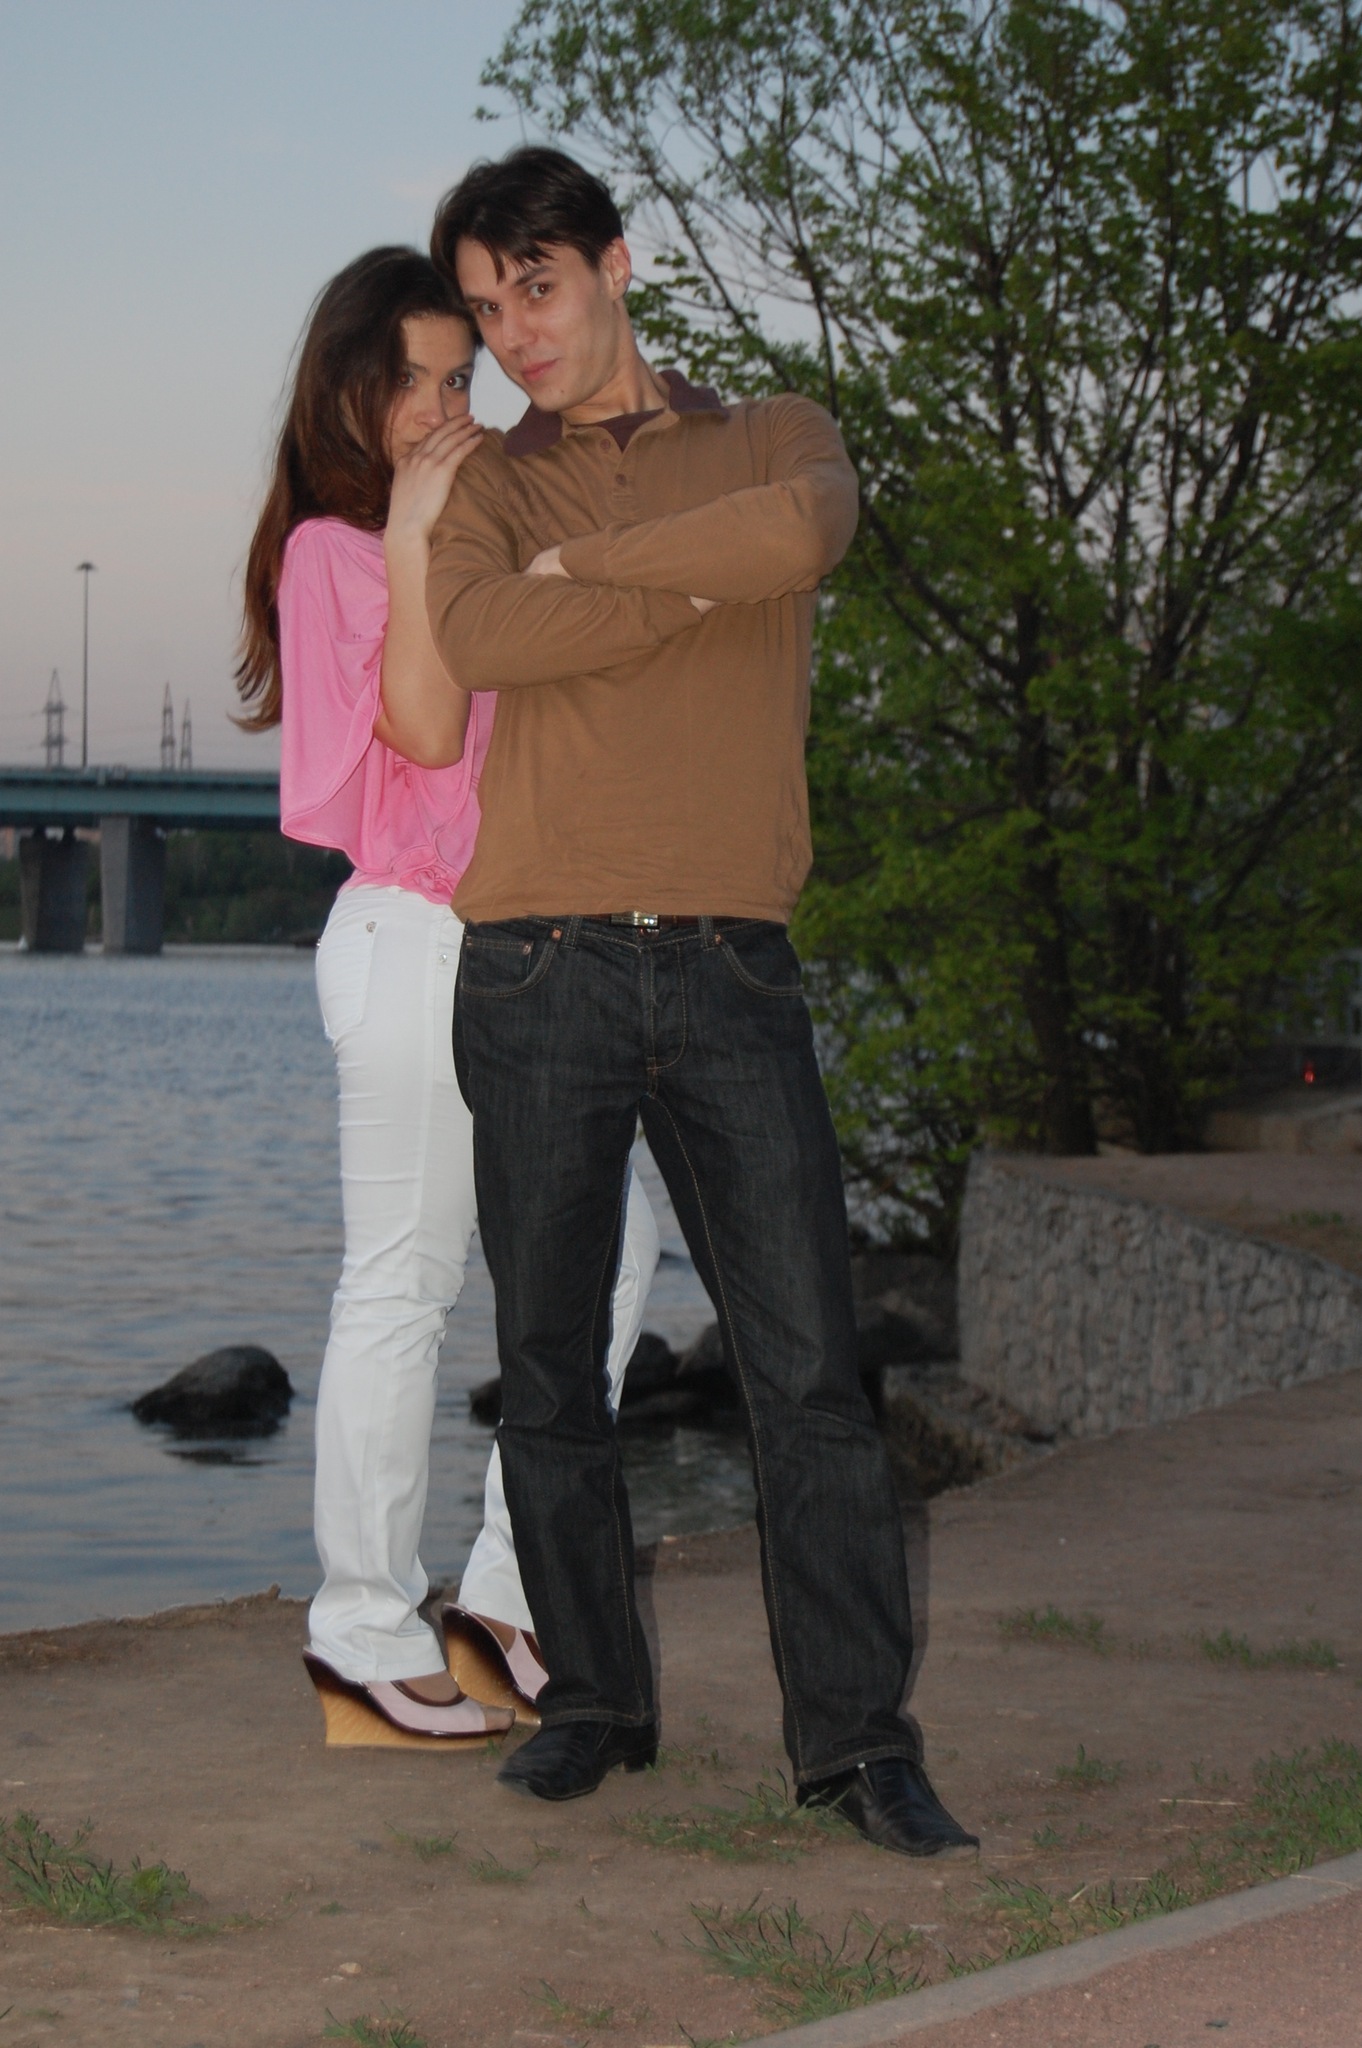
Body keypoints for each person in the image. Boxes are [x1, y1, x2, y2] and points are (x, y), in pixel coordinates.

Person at [391, 147, 978, 1852]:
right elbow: (480, 638)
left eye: (539, 286)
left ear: (617, 263)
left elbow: (803, 529)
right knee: (547, 1372)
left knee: (807, 1375)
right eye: (488, 308)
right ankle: (592, 1703)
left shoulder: (775, 431)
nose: (516, 333)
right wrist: (686, 580)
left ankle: (856, 1747)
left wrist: (588, 576)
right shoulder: (487, 485)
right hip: (537, 965)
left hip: (731, 963)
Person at [235, 245, 660, 1742]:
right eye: (408, 378)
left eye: (454, 377)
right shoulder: (334, 553)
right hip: (413, 941)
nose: (438, 406)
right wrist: (421, 532)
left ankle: (501, 1601)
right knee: (403, 1287)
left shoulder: (462, 531)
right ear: (346, 389)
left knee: (611, 1258)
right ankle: (361, 1631)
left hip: (519, 947)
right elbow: (420, 742)